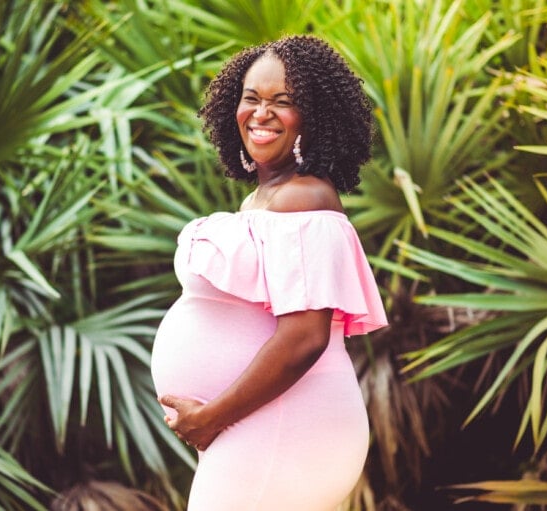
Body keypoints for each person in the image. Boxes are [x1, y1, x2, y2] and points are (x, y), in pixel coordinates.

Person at [150, 34, 388, 511]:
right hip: (264, 425)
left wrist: (212, 416)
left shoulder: (304, 198)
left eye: (283, 102)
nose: (261, 113)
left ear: (316, 118)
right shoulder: (265, 199)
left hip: (282, 423)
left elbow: (304, 337)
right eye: (251, 98)